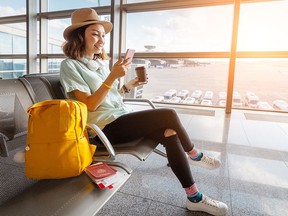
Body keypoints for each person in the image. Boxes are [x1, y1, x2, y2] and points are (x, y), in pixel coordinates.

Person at [60, 8, 228, 216]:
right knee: (169, 115)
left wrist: (128, 84)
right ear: (79, 36)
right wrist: (112, 77)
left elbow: (111, 98)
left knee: (170, 132)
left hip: (119, 118)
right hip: (103, 130)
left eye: (103, 35)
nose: (101, 40)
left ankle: (194, 197)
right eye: (95, 33)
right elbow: (90, 106)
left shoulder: (100, 65)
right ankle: (194, 154)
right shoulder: (70, 66)